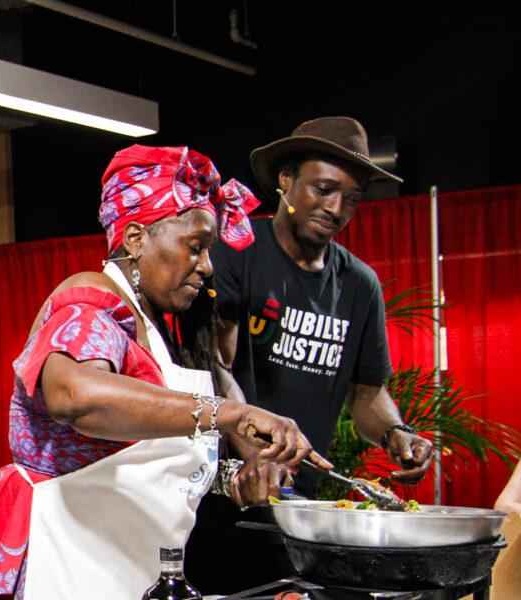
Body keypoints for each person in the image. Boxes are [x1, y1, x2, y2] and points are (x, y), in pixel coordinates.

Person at [0, 145, 330, 600]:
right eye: (196, 247)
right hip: (67, 564)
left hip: (124, 567)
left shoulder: (154, 331)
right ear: (136, 238)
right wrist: (229, 414)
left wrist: (234, 480)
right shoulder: (90, 300)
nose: (208, 267)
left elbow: (142, 462)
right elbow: (75, 395)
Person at [185, 117, 437, 593]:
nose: (336, 207)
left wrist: (396, 433)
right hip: (225, 503)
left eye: (352, 199)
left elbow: (368, 393)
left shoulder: (359, 285)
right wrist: (256, 449)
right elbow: (214, 365)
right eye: (323, 188)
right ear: (286, 180)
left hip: (302, 518)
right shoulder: (238, 253)